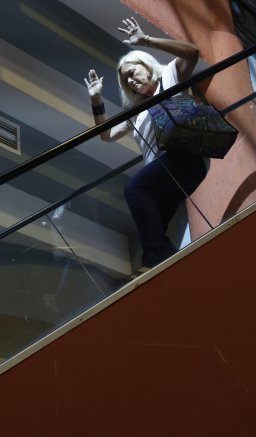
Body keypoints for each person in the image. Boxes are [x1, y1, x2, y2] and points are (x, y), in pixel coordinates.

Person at [84, 17, 207, 275]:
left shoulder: (170, 76)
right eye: (125, 81)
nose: (130, 82)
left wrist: (146, 40)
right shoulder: (135, 112)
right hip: (164, 175)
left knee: (134, 190)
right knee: (155, 232)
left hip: (185, 158)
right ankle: (183, 269)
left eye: (132, 73)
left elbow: (193, 52)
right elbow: (106, 134)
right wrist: (97, 100)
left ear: (146, 65)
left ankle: (152, 261)